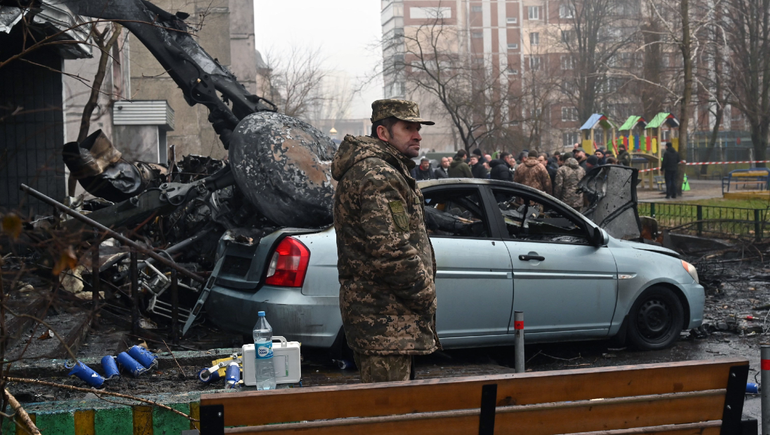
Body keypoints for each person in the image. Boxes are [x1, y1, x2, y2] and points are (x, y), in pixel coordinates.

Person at [331, 99, 439, 383]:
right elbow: (391, 249)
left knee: (395, 405)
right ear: (383, 133)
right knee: (390, 407)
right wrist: (426, 295)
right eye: (408, 128)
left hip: (388, 322)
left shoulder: (384, 170)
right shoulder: (378, 175)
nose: (417, 135)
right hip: (384, 321)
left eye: (418, 128)